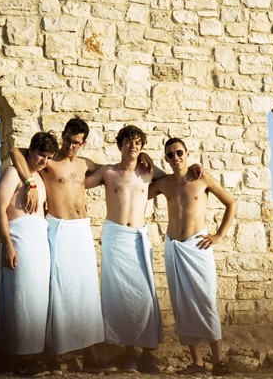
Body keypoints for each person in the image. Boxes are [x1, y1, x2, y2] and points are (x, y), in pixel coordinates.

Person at [10, 118, 107, 371]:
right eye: (67, 139)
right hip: (60, 228)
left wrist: (144, 159)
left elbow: (114, 170)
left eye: (76, 142)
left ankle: (91, 355)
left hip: (81, 229)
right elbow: (15, 151)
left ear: (83, 143)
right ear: (62, 135)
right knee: (60, 290)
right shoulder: (50, 161)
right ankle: (56, 353)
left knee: (86, 290)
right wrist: (30, 183)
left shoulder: (85, 164)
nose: (70, 146)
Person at [148, 138, 237, 376]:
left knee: (205, 302)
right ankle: (197, 363)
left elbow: (231, 203)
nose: (175, 157)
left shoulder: (201, 178)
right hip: (174, 246)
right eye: (170, 155)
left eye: (179, 152)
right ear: (166, 159)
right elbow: (136, 191)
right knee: (181, 304)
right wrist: (148, 162)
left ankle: (218, 362)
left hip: (197, 246)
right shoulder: (163, 184)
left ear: (187, 153)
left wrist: (219, 235)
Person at [85, 125, 166, 374]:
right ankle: (129, 353)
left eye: (138, 143)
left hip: (138, 237)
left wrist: (193, 170)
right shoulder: (108, 172)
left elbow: (174, 181)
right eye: (129, 142)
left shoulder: (149, 171)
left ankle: (148, 354)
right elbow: (77, 183)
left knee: (146, 296)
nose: (133, 146)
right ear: (120, 145)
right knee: (122, 296)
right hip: (116, 237)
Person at [0, 131, 59, 376]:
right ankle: (20, 359)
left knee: (36, 299)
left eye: (49, 157)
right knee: (20, 297)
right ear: (31, 150)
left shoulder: (38, 177)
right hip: (19, 238)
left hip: (39, 240)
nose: (44, 161)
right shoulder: (13, 172)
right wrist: (7, 244)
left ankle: (32, 355)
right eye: (41, 155)